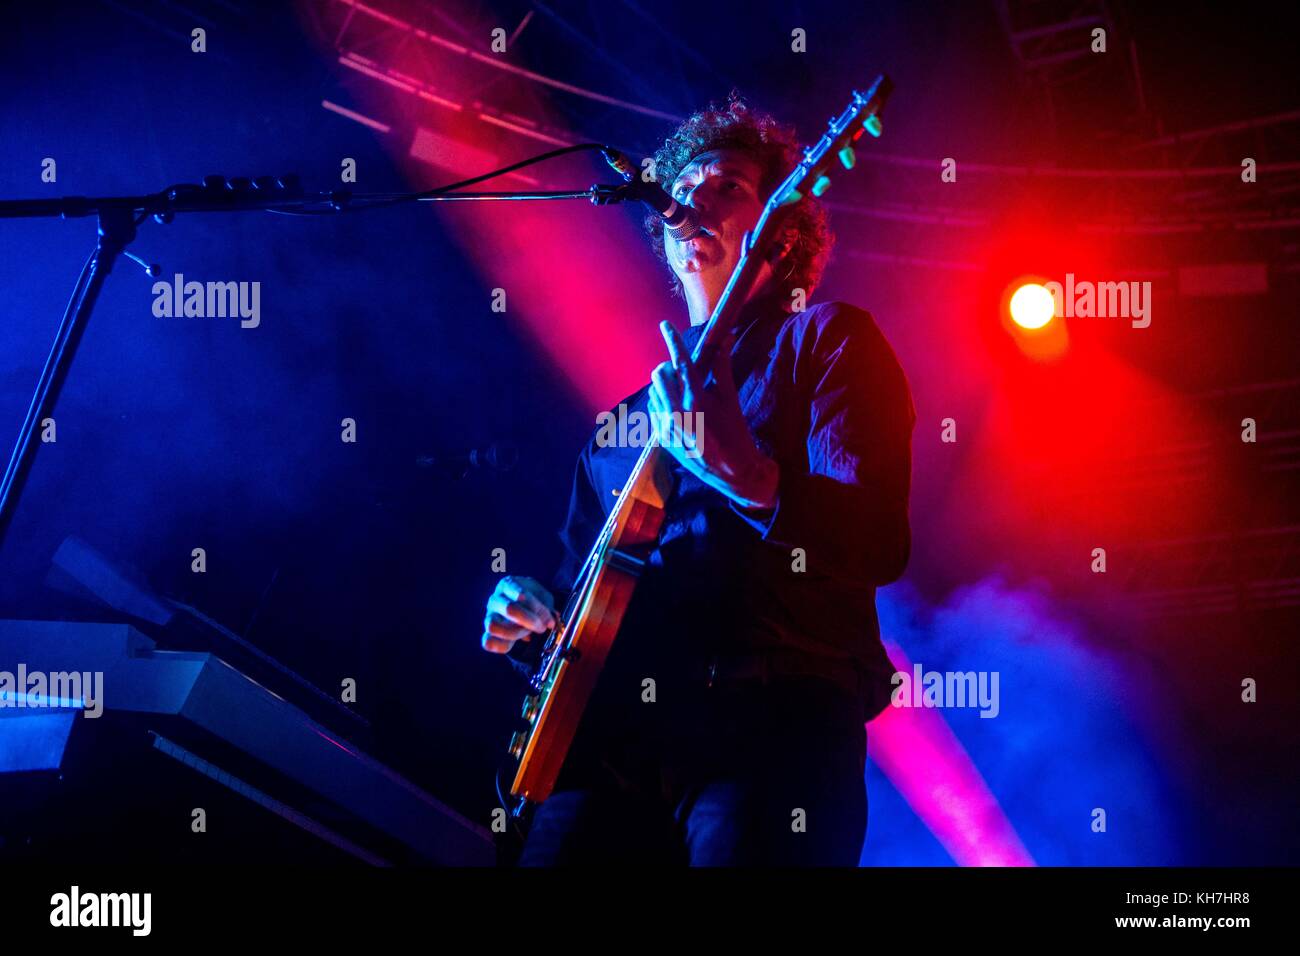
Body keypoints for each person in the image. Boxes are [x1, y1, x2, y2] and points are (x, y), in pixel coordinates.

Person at [481, 94, 915, 865]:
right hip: (613, 742)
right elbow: (579, 597)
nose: (695, 201)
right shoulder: (619, 426)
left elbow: (876, 540)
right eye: (686, 188)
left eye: (729, 189)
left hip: (773, 722)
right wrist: (528, 619)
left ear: (781, 233)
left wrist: (751, 477)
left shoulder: (828, 341)